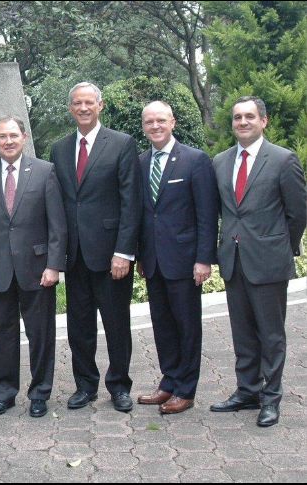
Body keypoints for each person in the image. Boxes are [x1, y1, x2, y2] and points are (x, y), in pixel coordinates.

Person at [210, 96, 306, 427]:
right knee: (243, 332)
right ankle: (247, 391)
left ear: (263, 121)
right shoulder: (220, 161)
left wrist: (280, 247)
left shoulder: (282, 159)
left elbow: (297, 213)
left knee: (270, 334)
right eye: (237, 117)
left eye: (250, 116)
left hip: (268, 261)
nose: (243, 122)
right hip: (234, 261)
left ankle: (272, 397)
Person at [50, 82, 141, 413]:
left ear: (100, 106)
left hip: (110, 255)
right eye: (77, 103)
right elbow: (57, 204)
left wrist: (124, 252)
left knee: (117, 324)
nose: (83, 107)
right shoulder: (58, 150)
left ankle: (119, 386)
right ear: (71, 108)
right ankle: (85, 385)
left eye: (89, 102)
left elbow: (132, 202)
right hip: (75, 256)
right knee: (80, 327)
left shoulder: (121, 144)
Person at [0, 116, 67, 418]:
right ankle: (3, 393)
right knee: (1, 335)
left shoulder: (44, 171)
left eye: (13, 135)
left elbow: (57, 226)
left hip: (37, 270)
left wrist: (53, 265)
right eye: (1, 136)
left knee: (40, 335)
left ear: (24, 137)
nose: (7, 141)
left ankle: (39, 393)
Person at [135, 101, 218, 414]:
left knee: (187, 326)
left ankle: (186, 389)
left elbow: (207, 214)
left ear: (173, 122)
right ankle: (169, 382)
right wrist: (142, 256)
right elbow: (143, 214)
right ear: (144, 126)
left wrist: (204, 259)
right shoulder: (140, 162)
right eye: (149, 122)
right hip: (154, 261)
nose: (155, 126)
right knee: (163, 325)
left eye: (160, 120)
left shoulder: (195, 160)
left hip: (185, 261)